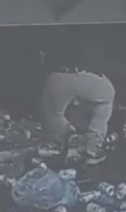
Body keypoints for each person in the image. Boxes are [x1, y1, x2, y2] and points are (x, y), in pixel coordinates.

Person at [41, 26, 115, 165]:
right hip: (89, 76)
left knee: (54, 115)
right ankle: (94, 140)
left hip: (60, 75)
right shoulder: (93, 27)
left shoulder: (55, 28)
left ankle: (71, 136)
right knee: (106, 98)